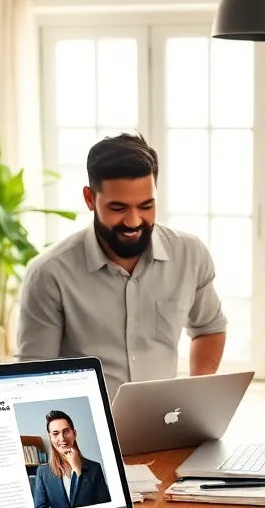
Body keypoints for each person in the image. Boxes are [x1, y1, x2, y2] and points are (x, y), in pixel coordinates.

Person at [16, 133, 227, 399]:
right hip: (86, 422)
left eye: (146, 206)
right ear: (89, 199)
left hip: (165, 418)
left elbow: (209, 328)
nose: (133, 221)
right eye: (118, 208)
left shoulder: (190, 254)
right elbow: (34, 375)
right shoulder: (48, 274)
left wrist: (195, 398)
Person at [32, 410, 110, 508]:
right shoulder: (42, 472)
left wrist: (78, 471)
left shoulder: (95, 468)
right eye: (55, 433)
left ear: (74, 433)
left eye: (66, 431)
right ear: (50, 437)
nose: (62, 438)